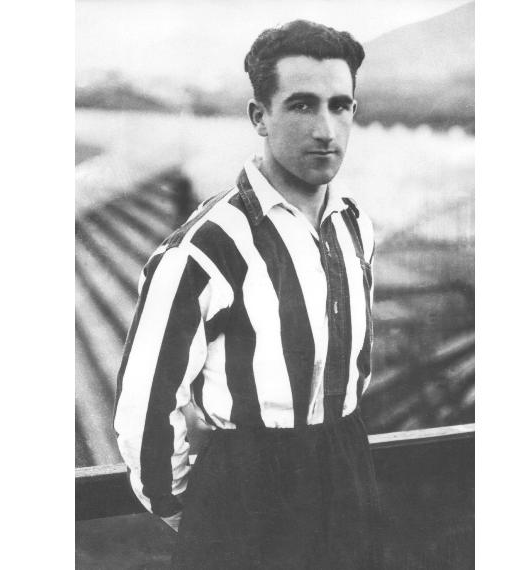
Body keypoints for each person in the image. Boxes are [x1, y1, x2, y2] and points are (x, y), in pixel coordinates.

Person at [113, 19, 381, 569]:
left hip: (347, 467)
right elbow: (146, 405)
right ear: (259, 116)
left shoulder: (354, 226)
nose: (325, 129)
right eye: (302, 105)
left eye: (340, 106)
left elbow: (356, 365)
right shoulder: (204, 247)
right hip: (248, 488)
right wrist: (190, 508)